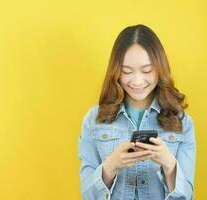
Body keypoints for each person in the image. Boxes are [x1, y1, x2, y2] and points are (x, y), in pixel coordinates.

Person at [78, 24, 196, 200]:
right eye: (126, 71)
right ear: (116, 71)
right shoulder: (93, 120)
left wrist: (169, 165)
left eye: (147, 70)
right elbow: (88, 195)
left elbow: (186, 197)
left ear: (160, 69)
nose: (137, 81)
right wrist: (110, 166)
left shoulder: (182, 122)